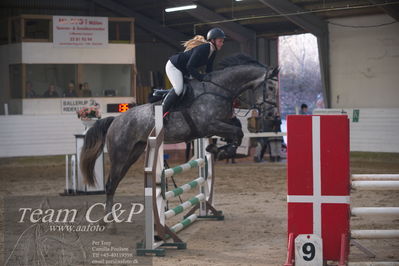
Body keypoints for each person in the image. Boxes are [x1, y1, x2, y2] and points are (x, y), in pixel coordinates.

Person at [162, 27, 226, 116]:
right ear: (212, 40)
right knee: (179, 88)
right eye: (220, 41)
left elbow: (209, 69)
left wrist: (212, 80)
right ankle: (162, 111)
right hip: (174, 66)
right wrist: (201, 77)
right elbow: (190, 66)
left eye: (222, 41)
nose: (222, 44)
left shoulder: (213, 51)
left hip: (184, 70)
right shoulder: (204, 48)